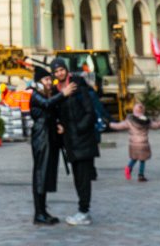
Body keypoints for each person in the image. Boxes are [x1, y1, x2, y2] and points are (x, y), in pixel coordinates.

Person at [56, 69, 101, 226]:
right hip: (71, 142)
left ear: (65, 70)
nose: (59, 73)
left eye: (61, 69)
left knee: (83, 178)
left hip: (83, 140)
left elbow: (91, 113)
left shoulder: (78, 87)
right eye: (56, 71)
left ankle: (84, 212)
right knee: (78, 178)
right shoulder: (59, 92)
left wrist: (78, 129)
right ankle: (83, 211)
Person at [27, 74, 62, 225]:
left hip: (47, 135)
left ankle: (42, 210)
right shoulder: (36, 94)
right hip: (41, 137)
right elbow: (47, 104)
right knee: (40, 173)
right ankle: (39, 213)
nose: (49, 82)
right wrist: (63, 93)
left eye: (50, 79)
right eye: (46, 79)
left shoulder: (45, 94)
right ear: (39, 81)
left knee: (45, 173)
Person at [107, 103, 153, 181]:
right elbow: (156, 125)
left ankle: (128, 168)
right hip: (143, 144)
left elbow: (119, 126)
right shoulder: (146, 121)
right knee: (142, 159)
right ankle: (141, 175)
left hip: (133, 144)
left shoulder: (129, 121)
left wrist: (110, 124)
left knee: (134, 158)